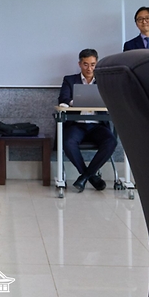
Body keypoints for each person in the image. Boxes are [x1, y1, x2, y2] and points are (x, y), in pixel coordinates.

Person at [58, 49, 117, 192]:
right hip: (77, 124)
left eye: (93, 64)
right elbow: (63, 98)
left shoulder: (103, 81)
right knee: (68, 142)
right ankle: (91, 177)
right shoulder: (70, 80)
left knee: (111, 141)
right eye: (85, 64)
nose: (89, 68)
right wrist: (75, 102)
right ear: (80, 64)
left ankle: (84, 177)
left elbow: (112, 99)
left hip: (97, 125)